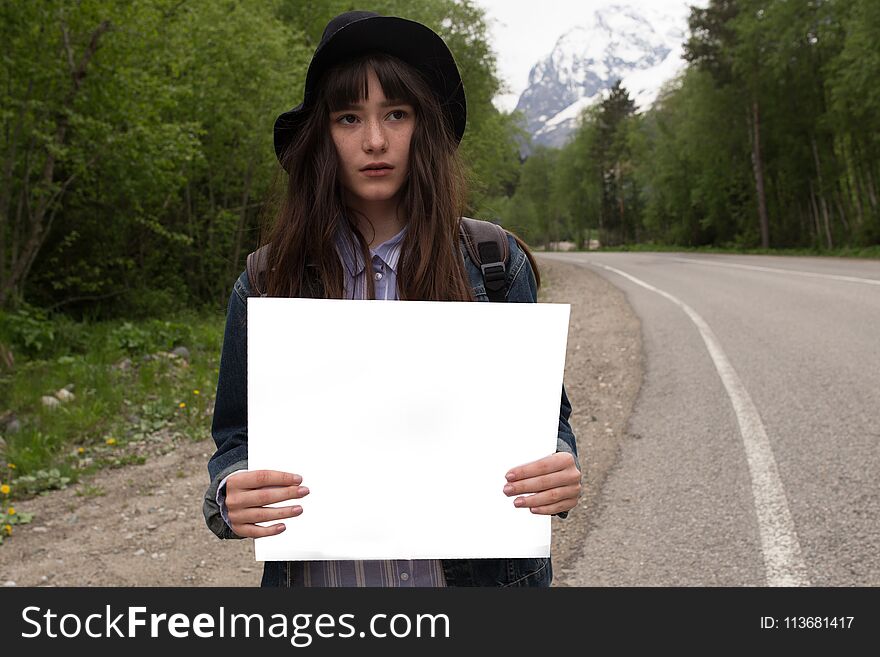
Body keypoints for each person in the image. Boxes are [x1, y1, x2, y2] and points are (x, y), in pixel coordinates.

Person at [203, 10, 581, 587]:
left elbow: (547, 424)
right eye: (349, 117)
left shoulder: (494, 267)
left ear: (423, 128)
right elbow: (236, 437)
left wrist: (556, 466)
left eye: (396, 115)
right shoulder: (266, 280)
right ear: (321, 136)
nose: (374, 140)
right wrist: (231, 492)